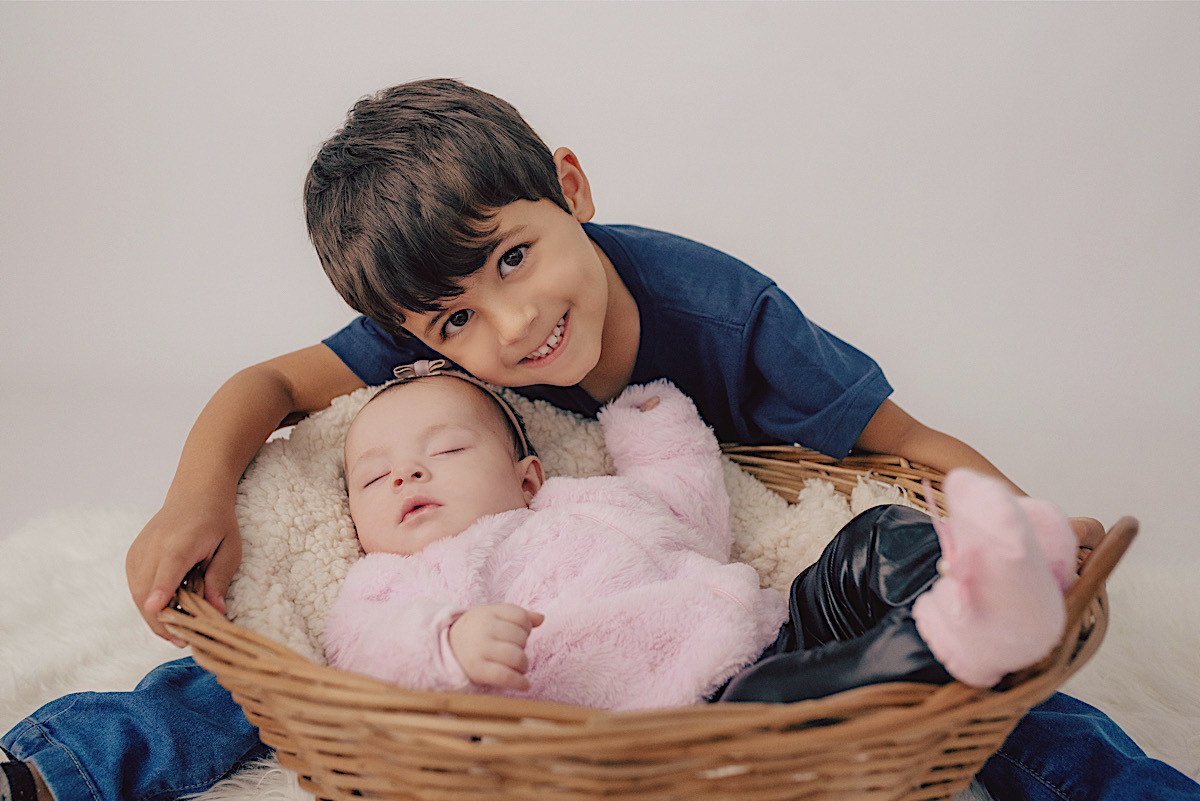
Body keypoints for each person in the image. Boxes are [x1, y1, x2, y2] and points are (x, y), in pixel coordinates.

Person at [3, 78, 1197, 801]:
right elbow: (267, 381)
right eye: (456, 316)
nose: (513, 325)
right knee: (273, 673)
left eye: (516, 257)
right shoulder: (432, 355)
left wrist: (1031, 524)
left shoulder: (726, 313)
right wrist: (194, 499)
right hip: (509, 652)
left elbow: (909, 440)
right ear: (412, 332)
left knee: (962, 653)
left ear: (570, 186)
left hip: (726, 617)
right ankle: (54, 768)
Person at [326, 366, 1074, 711]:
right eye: (373, 476)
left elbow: (689, 512)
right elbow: (362, 644)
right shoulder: (399, 585)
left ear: (527, 478)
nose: (406, 475)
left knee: (871, 538)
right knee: (815, 695)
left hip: (774, 624)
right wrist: (448, 645)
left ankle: (994, 569)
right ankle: (956, 635)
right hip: (694, 711)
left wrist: (652, 422)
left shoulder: (588, 499)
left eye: (446, 451)